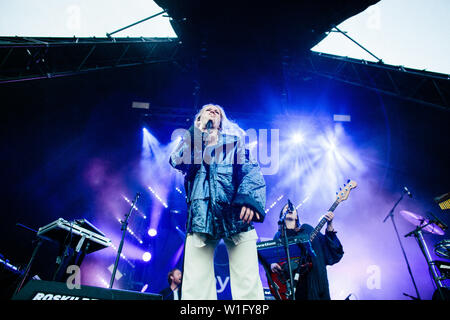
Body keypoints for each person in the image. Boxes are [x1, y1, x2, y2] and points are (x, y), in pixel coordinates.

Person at [169, 103, 266, 300]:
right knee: (195, 284)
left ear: (221, 121)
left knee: (247, 281)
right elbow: (177, 161)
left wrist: (249, 199)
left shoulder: (234, 142)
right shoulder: (191, 142)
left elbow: (251, 170)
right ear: (199, 118)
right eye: (208, 110)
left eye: (217, 111)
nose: (213, 111)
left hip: (234, 214)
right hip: (201, 215)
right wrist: (196, 133)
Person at [270, 202, 344, 300]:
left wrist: (329, 225)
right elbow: (270, 258)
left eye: (292, 208)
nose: (290, 208)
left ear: (296, 217)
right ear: (282, 215)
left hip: (315, 287)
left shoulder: (307, 230)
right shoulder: (278, 237)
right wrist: (272, 264)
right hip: (293, 289)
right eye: (286, 208)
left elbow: (331, 253)